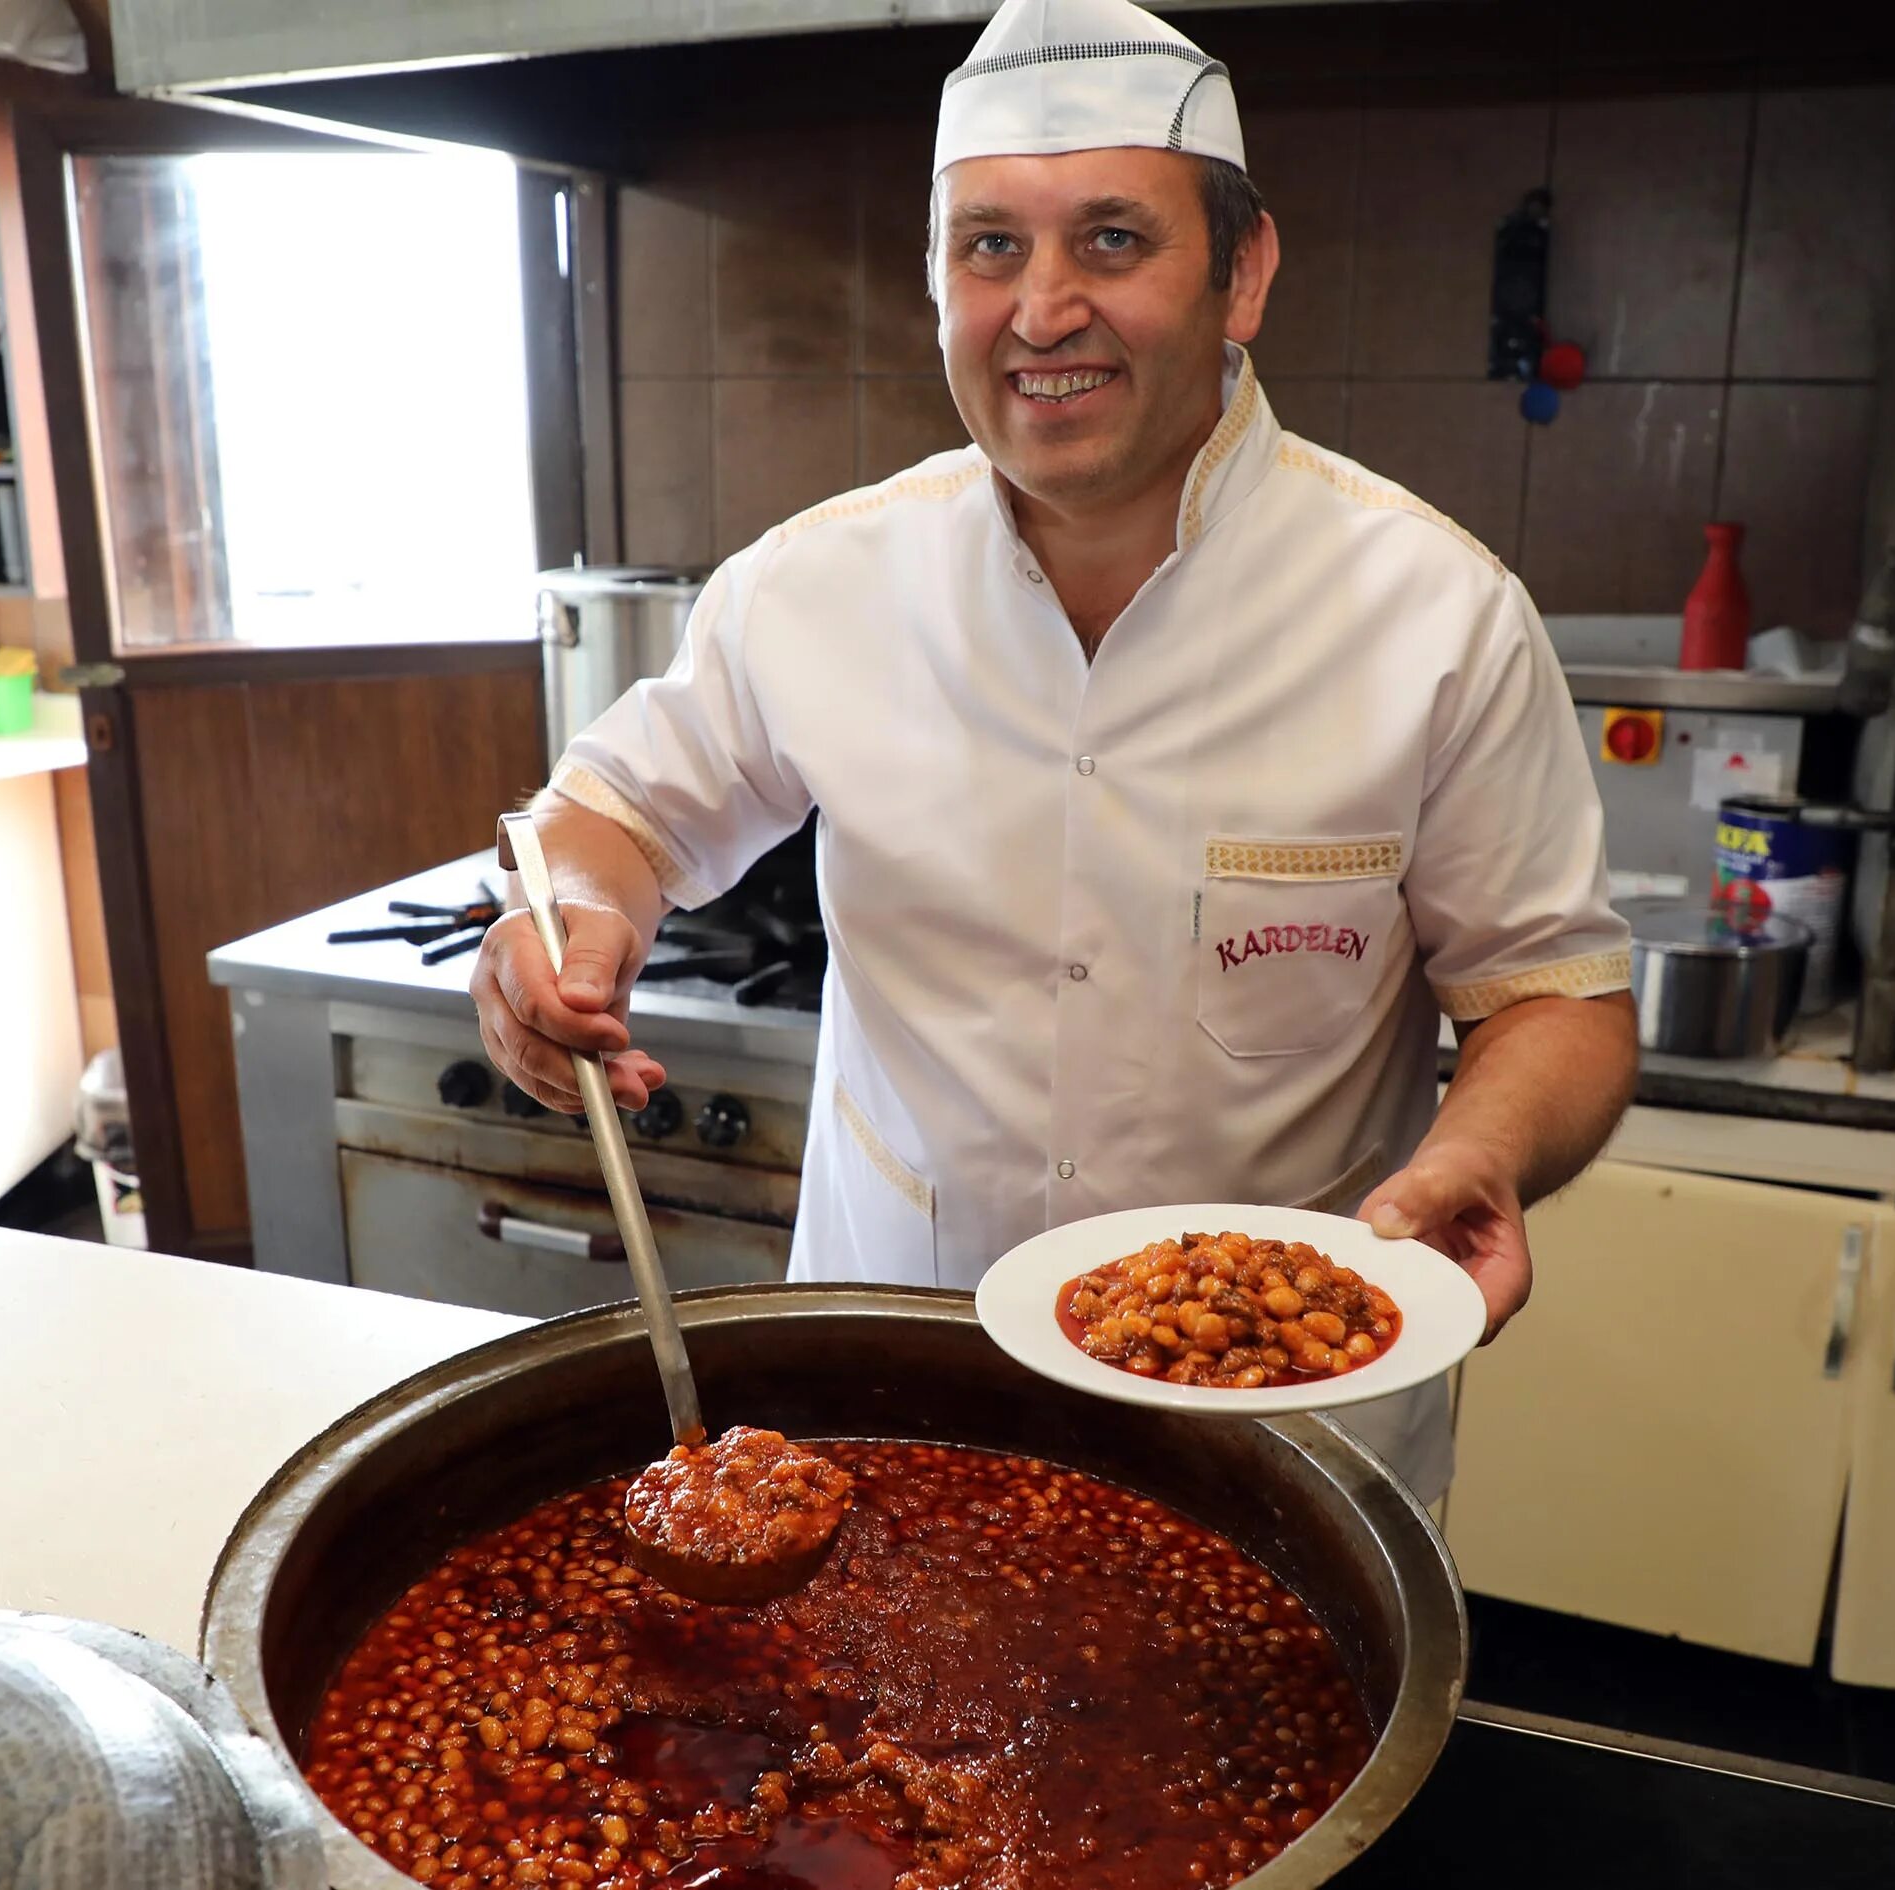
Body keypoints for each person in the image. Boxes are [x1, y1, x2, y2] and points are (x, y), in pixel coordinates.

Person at [473, 0, 1638, 1500]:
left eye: (1110, 241)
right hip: (895, 1407)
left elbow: (1555, 991)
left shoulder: (1434, 614)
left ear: (1245, 272)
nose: (1040, 311)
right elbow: (615, 810)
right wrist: (562, 927)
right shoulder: (819, 584)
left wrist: (1483, 1150)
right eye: (989, 248)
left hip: (1279, 1444)